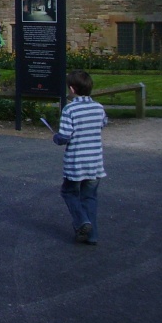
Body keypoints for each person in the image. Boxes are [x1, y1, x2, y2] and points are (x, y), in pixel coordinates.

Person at [53, 70, 107, 245]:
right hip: (95, 162)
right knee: (89, 197)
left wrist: (56, 137)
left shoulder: (70, 109)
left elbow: (65, 136)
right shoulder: (99, 108)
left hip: (76, 163)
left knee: (68, 192)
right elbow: (103, 124)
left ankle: (82, 221)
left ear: (72, 89)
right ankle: (92, 235)